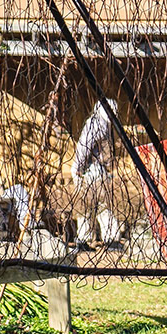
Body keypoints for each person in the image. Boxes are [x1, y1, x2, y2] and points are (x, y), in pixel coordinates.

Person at [71, 98, 122, 247]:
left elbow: (84, 147)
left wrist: (77, 168)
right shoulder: (101, 124)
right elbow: (88, 148)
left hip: (92, 173)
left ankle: (85, 239)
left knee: (88, 208)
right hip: (95, 172)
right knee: (101, 207)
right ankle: (111, 238)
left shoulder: (99, 123)